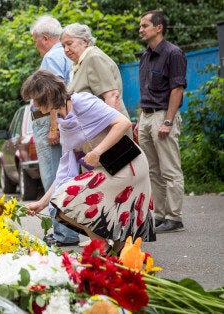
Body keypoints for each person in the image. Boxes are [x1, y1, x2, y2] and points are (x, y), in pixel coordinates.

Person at [22, 70, 156, 253]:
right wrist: (43, 203)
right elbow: (64, 171)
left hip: (127, 165)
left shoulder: (82, 101)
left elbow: (123, 122)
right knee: (60, 203)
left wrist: (97, 151)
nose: (35, 105)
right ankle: (104, 250)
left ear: (47, 94)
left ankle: (104, 251)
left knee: (67, 198)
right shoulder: (63, 119)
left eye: (35, 99)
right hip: (106, 170)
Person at [29, 15, 80, 247]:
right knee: (66, 174)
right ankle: (68, 230)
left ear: (45, 38)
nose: (35, 46)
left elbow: (53, 93)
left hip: (50, 120)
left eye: (35, 41)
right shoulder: (69, 54)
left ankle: (63, 233)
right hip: (65, 118)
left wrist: (53, 127)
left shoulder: (51, 55)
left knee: (53, 175)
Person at [137, 10, 187, 233]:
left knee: (170, 169)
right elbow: (144, 90)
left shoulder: (173, 53)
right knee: (152, 171)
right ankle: (159, 215)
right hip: (146, 116)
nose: (141, 29)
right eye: (140, 26)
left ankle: (174, 217)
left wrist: (168, 121)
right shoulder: (145, 56)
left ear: (159, 28)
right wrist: (140, 120)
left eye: (145, 25)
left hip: (162, 115)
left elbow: (177, 88)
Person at [60, 23, 132, 123]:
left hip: (108, 131)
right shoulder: (80, 64)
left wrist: (112, 129)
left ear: (84, 41)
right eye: (63, 46)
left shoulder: (93, 58)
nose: (66, 49)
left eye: (69, 43)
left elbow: (111, 96)